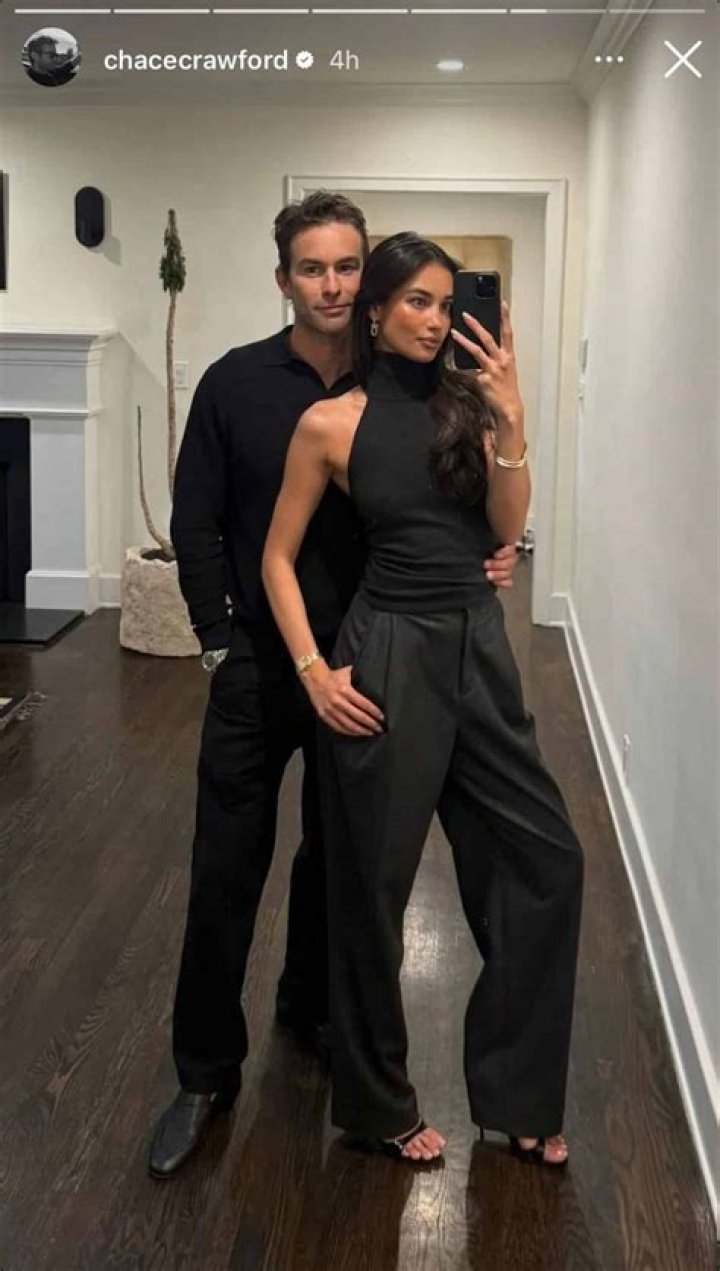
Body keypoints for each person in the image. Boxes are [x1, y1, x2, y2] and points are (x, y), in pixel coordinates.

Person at [148, 197, 519, 1179]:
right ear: (284, 279)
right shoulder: (235, 383)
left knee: (341, 859)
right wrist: (218, 642)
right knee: (228, 863)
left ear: (370, 277)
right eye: (312, 268)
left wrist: (490, 554)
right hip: (263, 664)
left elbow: (453, 507)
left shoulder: (400, 381)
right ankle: (204, 1072)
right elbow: (195, 519)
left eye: (348, 266)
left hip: (367, 664)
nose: (332, 285)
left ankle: (311, 1012)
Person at [262, 232, 584, 1167]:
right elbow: (277, 556)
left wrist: (512, 416)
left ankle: (520, 1095)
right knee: (371, 885)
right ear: (375, 309)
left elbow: (506, 532)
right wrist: (314, 671)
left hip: (477, 647)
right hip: (388, 650)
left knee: (547, 860)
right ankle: (377, 1104)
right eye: (417, 301)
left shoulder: (471, 406)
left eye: (446, 303)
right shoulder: (332, 422)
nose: (437, 320)